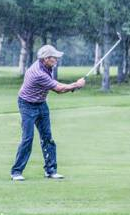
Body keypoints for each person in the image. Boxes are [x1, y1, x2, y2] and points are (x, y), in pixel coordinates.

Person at [10, 45, 85, 181]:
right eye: (54, 57)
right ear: (45, 59)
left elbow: (57, 85)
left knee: (47, 137)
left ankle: (50, 171)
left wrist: (73, 86)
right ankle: (16, 172)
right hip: (27, 104)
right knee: (28, 138)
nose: (56, 59)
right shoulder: (38, 72)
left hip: (41, 103)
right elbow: (59, 89)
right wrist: (76, 85)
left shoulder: (47, 66)